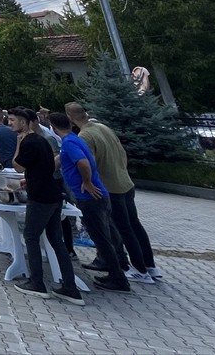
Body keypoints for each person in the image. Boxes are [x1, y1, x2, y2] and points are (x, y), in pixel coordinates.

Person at [65, 101, 157, 283]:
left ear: (70, 118)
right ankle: (150, 266)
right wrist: (121, 171)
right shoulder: (102, 127)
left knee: (123, 228)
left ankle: (140, 270)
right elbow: (122, 152)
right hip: (125, 183)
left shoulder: (84, 136)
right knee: (135, 225)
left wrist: (88, 182)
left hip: (108, 187)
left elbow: (86, 163)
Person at [8, 107, 83, 305]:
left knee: (31, 236)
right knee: (56, 240)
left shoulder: (30, 141)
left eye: (12, 120)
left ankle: (37, 282)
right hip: (53, 195)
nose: (10, 123)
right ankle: (70, 287)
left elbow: (17, 165)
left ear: (23, 123)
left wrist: (18, 144)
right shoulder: (42, 140)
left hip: (40, 198)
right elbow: (44, 167)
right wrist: (29, 180)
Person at [49, 111, 130, 292]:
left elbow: (84, 163)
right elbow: (60, 161)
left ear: (53, 128)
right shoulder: (74, 139)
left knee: (101, 238)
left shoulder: (70, 143)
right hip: (99, 194)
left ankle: (118, 279)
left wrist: (87, 181)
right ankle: (117, 268)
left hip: (89, 196)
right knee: (106, 234)